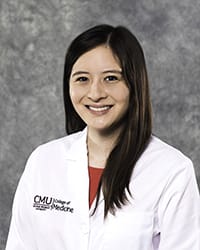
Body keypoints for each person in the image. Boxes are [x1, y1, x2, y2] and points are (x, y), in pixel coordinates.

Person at [6, 24, 200, 250]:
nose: (96, 93)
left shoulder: (172, 171)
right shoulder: (43, 161)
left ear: (134, 84)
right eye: (82, 79)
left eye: (110, 78)